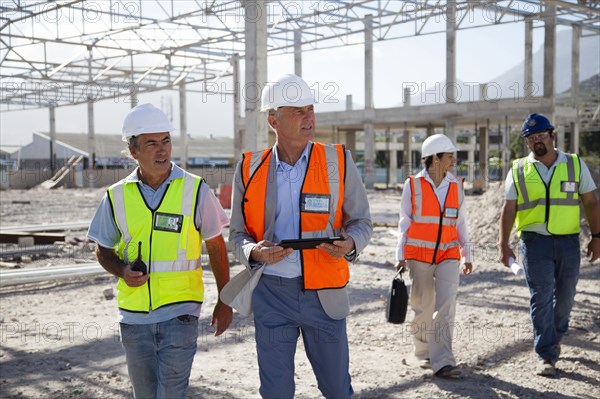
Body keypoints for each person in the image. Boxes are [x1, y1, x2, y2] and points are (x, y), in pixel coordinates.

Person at [228, 74, 372, 399]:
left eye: (310, 109)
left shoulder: (338, 161)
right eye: (298, 111)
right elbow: (236, 235)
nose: (309, 117)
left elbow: (362, 222)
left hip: (324, 294)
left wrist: (350, 244)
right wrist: (254, 252)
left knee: (337, 389)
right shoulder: (249, 168)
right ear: (273, 120)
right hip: (271, 295)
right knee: (276, 392)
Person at [87, 103, 232, 398]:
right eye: (151, 143)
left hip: (181, 313)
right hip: (134, 316)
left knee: (170, 394)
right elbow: (102, 249)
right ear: (133, 151)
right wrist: (122, 271)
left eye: (165, 141)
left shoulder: (195, 189)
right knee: (145, 394)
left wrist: (225, 299)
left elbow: (216, 246)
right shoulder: (116, 196)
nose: (162, 150)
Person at [499, 113, 599, 377]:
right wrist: (503, 245)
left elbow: (590, 202)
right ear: (527, 143)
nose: (537, 141)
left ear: (552, 135)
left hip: (568, 242)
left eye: (541, 135)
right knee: (541, 297)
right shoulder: (519, 169)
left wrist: (597, 236)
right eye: (531, 138)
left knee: (565, 298)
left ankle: (555, 336)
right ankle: (546, 353)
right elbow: (508, 209)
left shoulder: (575, 165)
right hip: (534, 243)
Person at [394, 133, 473, 379]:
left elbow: (460, 222)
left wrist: (466, 252)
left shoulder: (456, 186)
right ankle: (422, 352)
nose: (453, 161)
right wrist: (400, 255)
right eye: (449, 156)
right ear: (435, 158)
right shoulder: (413, 185)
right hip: (420, 255)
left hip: (449, 254)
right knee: (423, 305)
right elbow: (404, 221)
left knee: (446, 304)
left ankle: (444, 362)